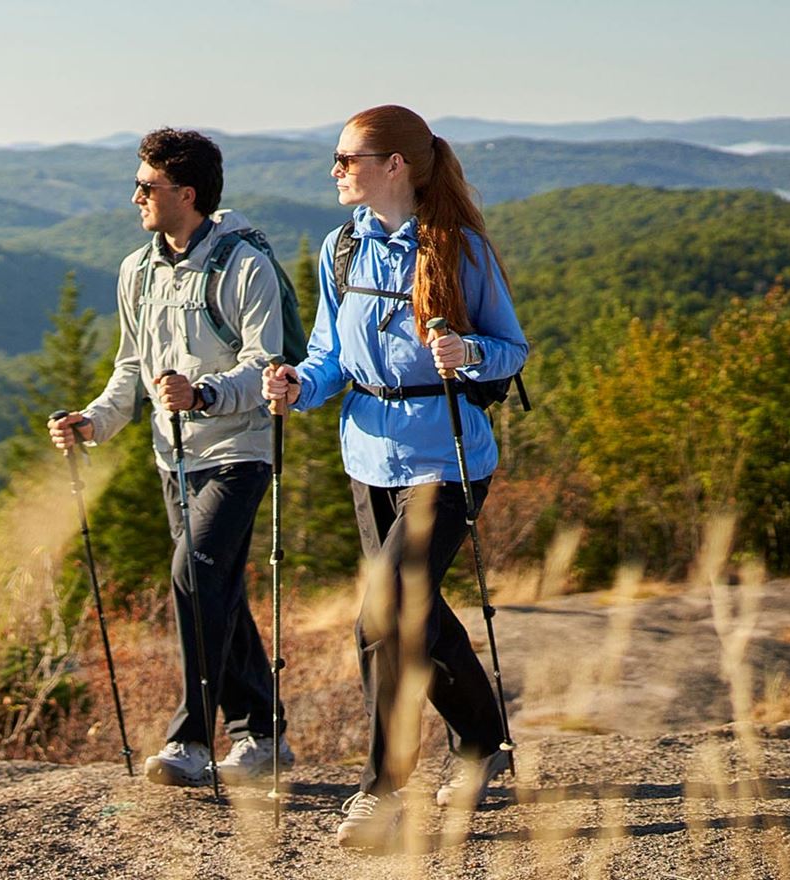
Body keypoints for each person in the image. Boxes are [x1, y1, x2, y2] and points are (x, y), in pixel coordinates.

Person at [262, 105, 530, 848]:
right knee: (419, 613)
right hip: (368, 459)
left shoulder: (459, 249)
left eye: (347, 158)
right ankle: (484, 743)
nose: (335, 170)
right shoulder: (341, 248)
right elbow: (329, 356)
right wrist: (297, 384)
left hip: (447, 456)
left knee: (385, 612)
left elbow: (512, 349)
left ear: (395, 166)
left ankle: (382, 791)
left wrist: (469, 354)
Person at [48, 128, 293, 788]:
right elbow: (131, 368)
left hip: (239, 451)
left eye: (146, 186)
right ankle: (263, 734)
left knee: (193, 574)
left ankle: (190, 740)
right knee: (214, 585)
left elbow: (265, 363)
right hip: (173, 459)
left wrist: (204, 394)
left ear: (186, 194)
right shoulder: (137, 270)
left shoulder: (246, 267)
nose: (136, 197)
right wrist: (93, 423)